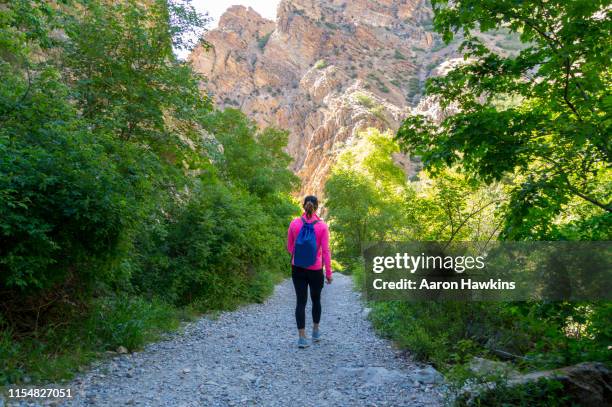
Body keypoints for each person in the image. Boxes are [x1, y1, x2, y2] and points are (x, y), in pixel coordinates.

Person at [287, 195, 333, 348]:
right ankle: (315, 331)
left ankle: (301, 338)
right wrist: (329, 274)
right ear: (317, 207)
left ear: (303, 206)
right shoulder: (322, 226)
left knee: (301, 302)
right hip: (315, 269)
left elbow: (290, 248)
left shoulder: (294, 224)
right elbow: (326, 251)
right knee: (316, 300)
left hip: (297, 268)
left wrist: (300, 257)